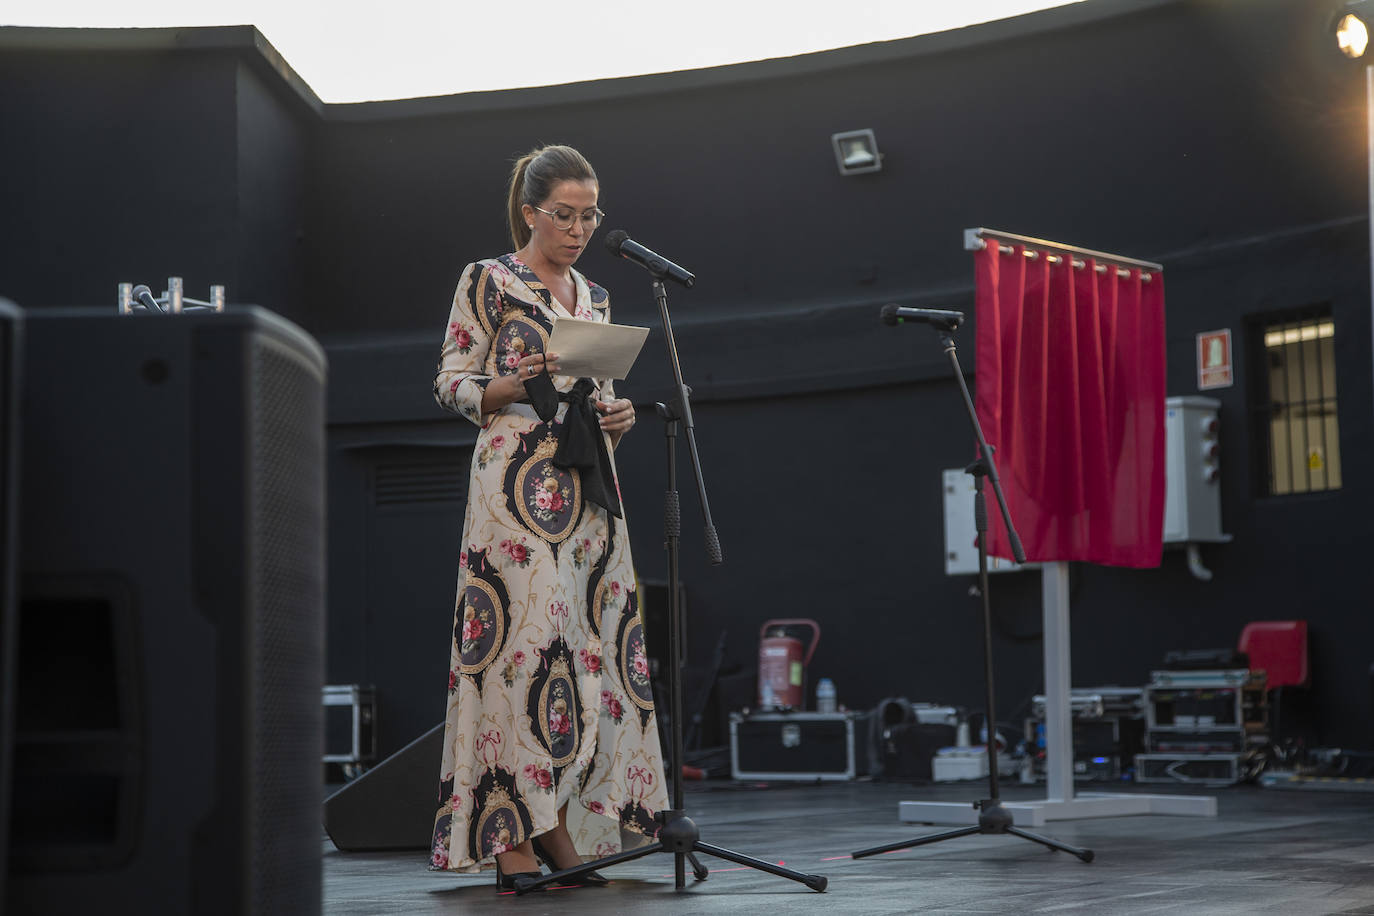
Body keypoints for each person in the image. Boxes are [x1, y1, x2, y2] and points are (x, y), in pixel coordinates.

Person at [429, 144, 668, 892]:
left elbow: (598, 397)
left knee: (587, 659)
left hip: (587, 493)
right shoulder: (489, 279)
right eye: (564, 214)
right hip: (513, 492)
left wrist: (619, 416)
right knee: (521, 654)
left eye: (590, 215)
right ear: (531, 212)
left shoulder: (595, 296)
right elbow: (450, 382)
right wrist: (508, 383)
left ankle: (563, 830)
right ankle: (515, 843)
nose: (579, 228)